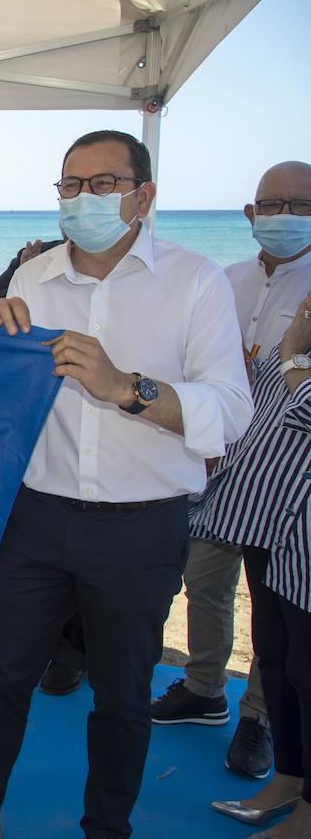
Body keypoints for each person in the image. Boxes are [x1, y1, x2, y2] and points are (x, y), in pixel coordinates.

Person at [0, 130, 253, 839]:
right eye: (71, 185)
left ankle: (107, 826)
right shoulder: (31, 278)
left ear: (144, 196)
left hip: (141, 525)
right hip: (35, 515)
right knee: (3, 676)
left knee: (122, 694)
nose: (84, 199)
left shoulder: (196, 280)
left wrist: (124, 387)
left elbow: (230, 411)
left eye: (103, 184)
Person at [152, 162, 311, 779]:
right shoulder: (223, 280)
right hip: (219, 465)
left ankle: (260, 719)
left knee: (276, 603)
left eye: (300, 204)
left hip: (289, 475)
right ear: (249, 215)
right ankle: (203, 686)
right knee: (206, 581)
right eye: (271, 204)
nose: (284, 217)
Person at [203, 289, 311, 837]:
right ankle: (287, 781)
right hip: (268, 524)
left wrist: (294, 352)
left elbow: (305, 408)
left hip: (305, 537)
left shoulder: (297, 342)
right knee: (277, 657)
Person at [0, 236, 84, 697]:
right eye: (72, 187)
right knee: (6, 662)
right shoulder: (31, 275)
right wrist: (19, 264)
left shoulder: (182, 281)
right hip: (28, 474)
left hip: (111, 492)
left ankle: (71, 658)